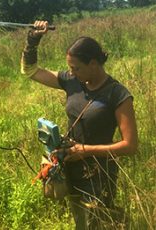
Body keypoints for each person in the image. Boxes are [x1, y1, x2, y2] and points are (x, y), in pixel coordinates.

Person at [21, 21, 138, 229]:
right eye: (69, 68)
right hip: (71, 169)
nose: (71, 72)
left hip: (98, 176)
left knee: (98, 223)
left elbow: (130, 146)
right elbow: (31, 72)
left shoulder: (117, 94)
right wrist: (33, 40)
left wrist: (85, 150)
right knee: (80, 222)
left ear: (93, 63)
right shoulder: (73, 81)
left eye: (76, 68)